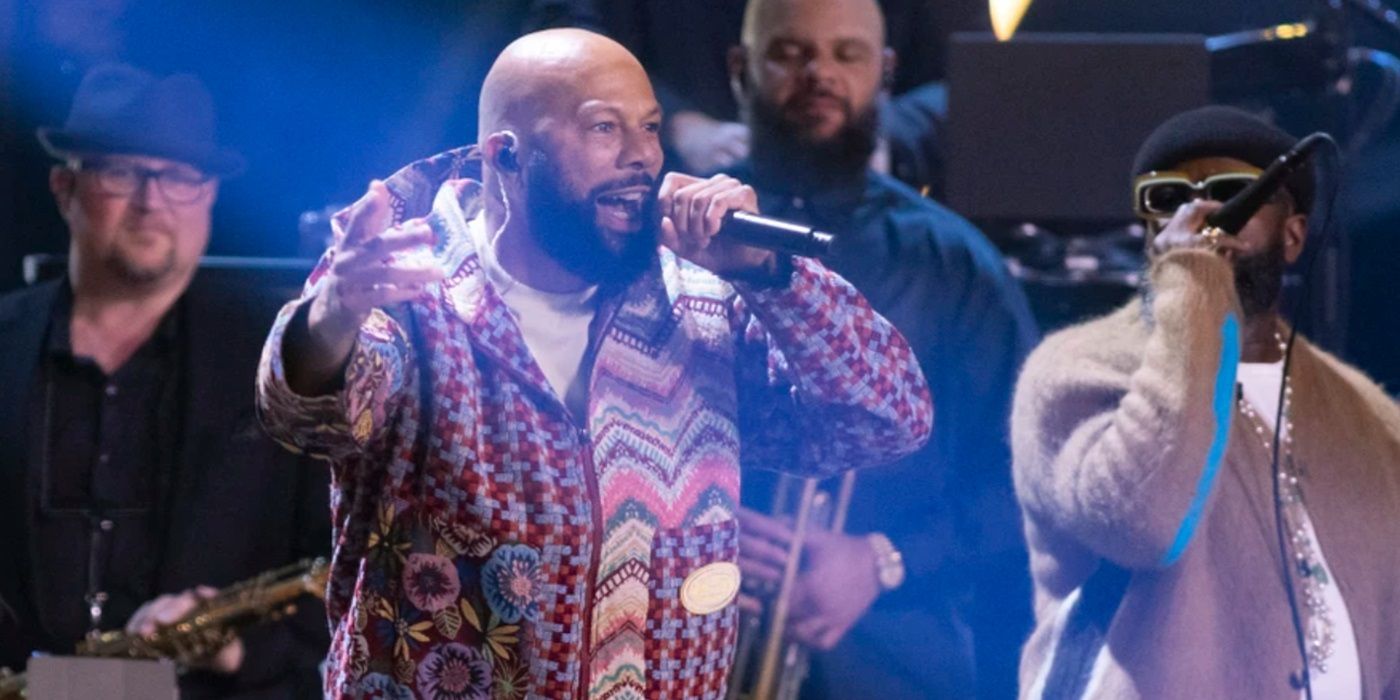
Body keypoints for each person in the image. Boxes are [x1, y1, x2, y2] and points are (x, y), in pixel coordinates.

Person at [255, 28, 932, 699]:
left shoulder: (696, 307)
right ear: (507, 155)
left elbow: (887, 421)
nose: (642, 157)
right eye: (605, 129)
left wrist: (776, 280)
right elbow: (305, 418)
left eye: (650, 128)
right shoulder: (410, 288)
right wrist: (333, 313)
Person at [1012, 105, 1400, 698]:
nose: (1198, 216)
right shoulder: (1076, 370)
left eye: (1230, 194)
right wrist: (1194, 279)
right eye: (1167, 198)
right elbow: (1147, 524)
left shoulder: (1368, 413)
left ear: (1293, 234)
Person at [724, 0, 1038, 697]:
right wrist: (694, 534)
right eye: (791, 53)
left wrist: (884, 559)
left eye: (846, 54)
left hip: (900, 654)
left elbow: (1030, 480)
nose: (820, 74)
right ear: (740, 70)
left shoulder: (952, 261)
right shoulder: (680, 241)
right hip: (692, 643)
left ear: (887, 71)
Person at [0, 64, 330, 698]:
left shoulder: (285, 356)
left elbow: (345, 555)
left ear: (208, 196)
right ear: (65, 187)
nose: (152, 200)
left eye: (181, 177)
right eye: (122, 171)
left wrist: (241, 646)